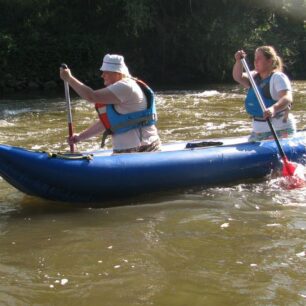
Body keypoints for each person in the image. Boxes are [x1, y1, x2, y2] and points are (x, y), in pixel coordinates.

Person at [59, 54, 161, 154]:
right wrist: (79, 137)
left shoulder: (126, 86)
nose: (102, 75)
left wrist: (69, 78)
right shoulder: (120, 91)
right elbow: (106, 123)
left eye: (106, 72)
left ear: (118, 73)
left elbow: (91, 96)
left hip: (142, 150)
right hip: (132, 149)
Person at [232, 46, 296, 142]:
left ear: (270, 61)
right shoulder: (253, 77)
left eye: (259, 58)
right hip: (259, 131)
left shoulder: (278, 77)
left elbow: (287, 98)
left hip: (279, 129)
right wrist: (238, 61)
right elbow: (238, 77)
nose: (255, 61)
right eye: (255, 58)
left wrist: (273, 108)